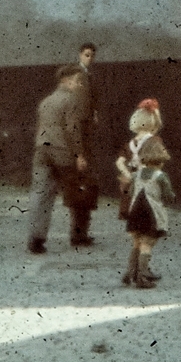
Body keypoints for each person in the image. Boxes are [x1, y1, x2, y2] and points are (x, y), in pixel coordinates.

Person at [27, 66, 90, 254]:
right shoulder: (70, 100)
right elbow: (72, 130)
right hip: (62, 151)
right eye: (77, 81)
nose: (79, 85)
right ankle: (78, 234)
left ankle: (36, 238)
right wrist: (79, 154)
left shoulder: (45, 101)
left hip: (41, 150)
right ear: (66, 80)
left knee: (40, 193)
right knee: (77, 190)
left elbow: (39, 127)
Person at [118, 131, 173, 289]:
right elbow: (168, 195)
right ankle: (142, 276)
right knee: (147, 243)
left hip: (135, 211)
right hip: (151, 213)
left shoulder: (136, 175)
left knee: (136, 242)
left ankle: (130, 272)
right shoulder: (161, 176)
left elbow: (131, 191)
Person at [68, 42, 101, 245]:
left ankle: (82, 231)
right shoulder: (78, 76)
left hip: (86, 136)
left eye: (92, 55)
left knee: (86, 188)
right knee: (80, 187)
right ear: (80, 54)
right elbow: (79, 109)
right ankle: (77, 233)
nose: (89, 58)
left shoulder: (89, 75)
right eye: (86, 55)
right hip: (80, 139)